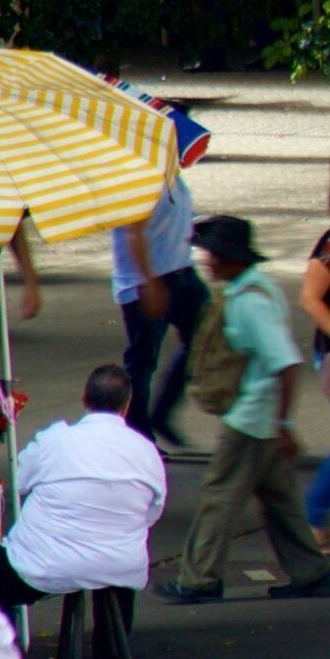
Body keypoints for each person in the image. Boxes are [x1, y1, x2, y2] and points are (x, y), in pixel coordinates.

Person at [162, 214, 330, 604]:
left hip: (251, 420)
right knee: (279, 501)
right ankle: (312, 573)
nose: (207, 262)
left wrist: (283, 423)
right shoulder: (260, 289)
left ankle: (198, 580)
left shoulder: (248, 305)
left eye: (211, 254)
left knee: (219, 497)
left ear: (230, 258)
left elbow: (285, 362)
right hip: (262, 418)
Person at [0, 362, 163, 626]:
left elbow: (19, 483)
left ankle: (3, 650)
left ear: (84, 399)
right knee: (110, 568)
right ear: (127, 406)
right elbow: (152, 512)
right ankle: (109, 654)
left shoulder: (54, 440)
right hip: (120, 564)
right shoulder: (147, 452)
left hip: (45, 565)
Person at [109, 167, 205, 450]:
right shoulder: (138, 175)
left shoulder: (171, 172)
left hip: (182, 273)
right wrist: (150, 283)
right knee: (142, 362)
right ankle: (139, 437)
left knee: (202, 342)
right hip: (145, 282)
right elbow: (132, 234)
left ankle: (161, 414)